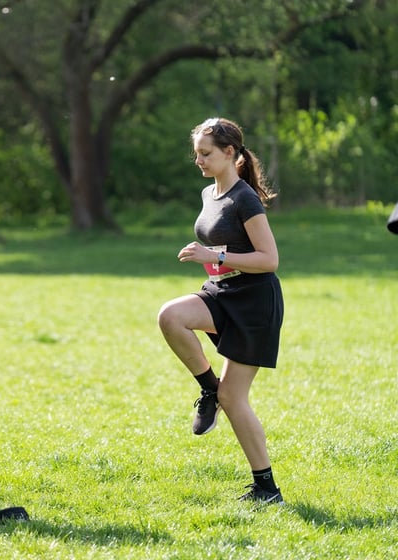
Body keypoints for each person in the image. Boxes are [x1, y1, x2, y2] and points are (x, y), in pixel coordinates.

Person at [157, 117, 285, 504]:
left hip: (253, 303)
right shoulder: (207, 194)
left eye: (206, 153)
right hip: (222, 290)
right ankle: (209, 390)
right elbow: (222, 251)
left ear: (230, 153)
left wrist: (215, 254)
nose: (199, 160)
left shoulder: (244, 198)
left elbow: (270, 259)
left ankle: (266, 489)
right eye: (196, 153)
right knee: (171, 316)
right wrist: (212, 262)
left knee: (236, 399)